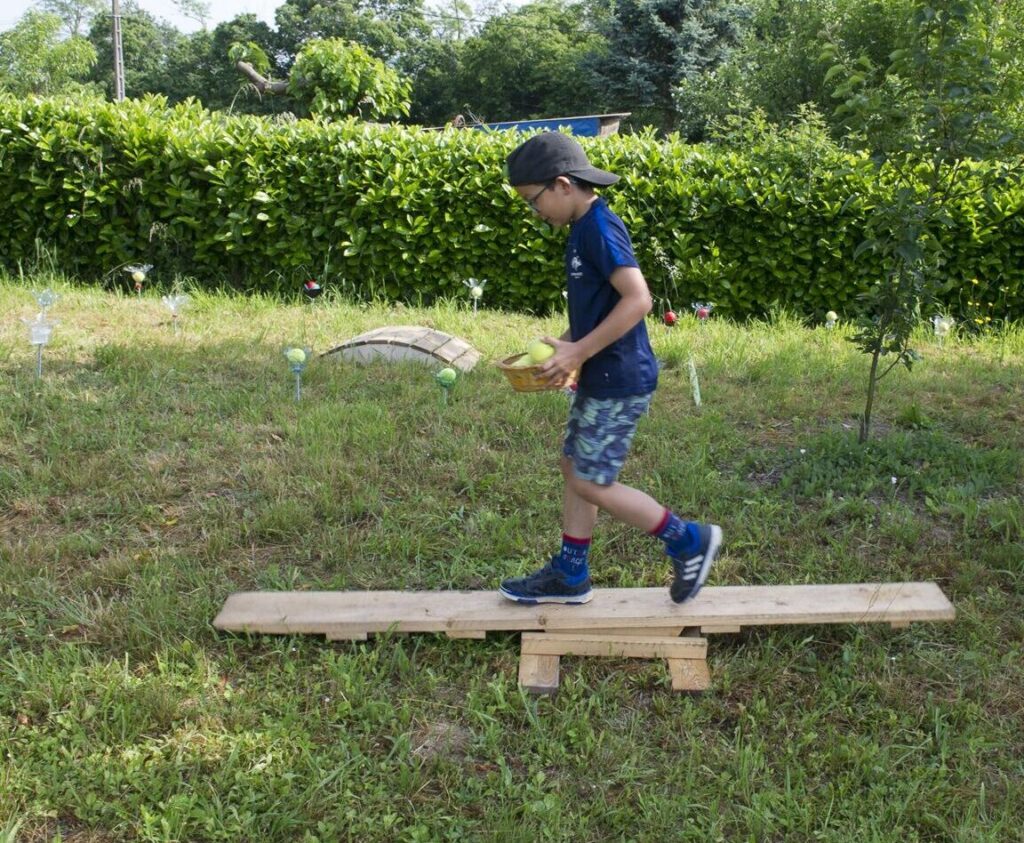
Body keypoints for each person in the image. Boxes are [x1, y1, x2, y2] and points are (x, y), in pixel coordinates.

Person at [499, 131, 722, 605]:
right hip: (603, 374)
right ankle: (571, 574)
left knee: (588, 480)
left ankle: (689, 540)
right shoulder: (581, 229)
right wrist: (568, 343)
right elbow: (600, 308)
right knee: (573, 466)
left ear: (562, 184)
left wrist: (578, 353)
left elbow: (638, 299)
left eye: (534, 201)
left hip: (620, 379)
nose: (535, 212)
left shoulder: (600, 227)